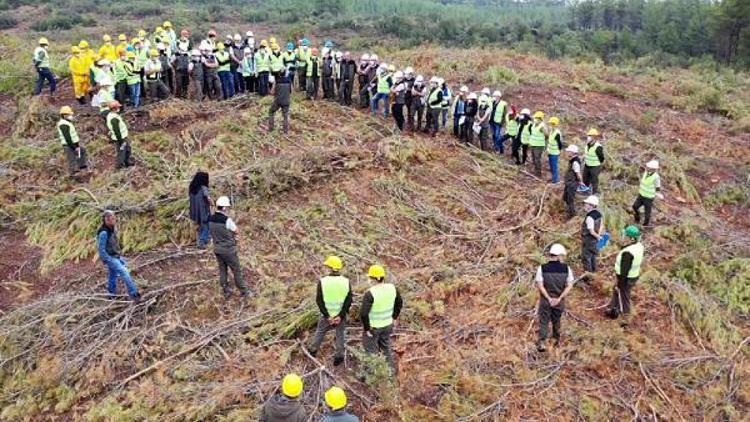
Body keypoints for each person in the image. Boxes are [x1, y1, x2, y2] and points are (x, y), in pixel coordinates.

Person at [308, 256, 352, 367]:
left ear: (330, 267)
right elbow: (349, 300)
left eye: (327, 266)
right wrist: (340, 316)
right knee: (340, 334)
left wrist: (328, 316)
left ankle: (313, 350)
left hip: (326, 316)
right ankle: (339, 357)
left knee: (320, 332)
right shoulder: (346, 282)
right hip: (340, 316)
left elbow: (319, 300)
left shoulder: (323, 282)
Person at [360, 264, 403, 374]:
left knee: (370, 351)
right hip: (388, 325)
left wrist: (367, 329)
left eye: (370, 277)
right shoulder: (392, 288)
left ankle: (372, 375)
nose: (369, 279)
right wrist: (394, 317)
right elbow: (399, 303)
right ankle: (390, 372)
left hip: (374, 327)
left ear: (374, 278)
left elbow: (364, 314)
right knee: (385, 348)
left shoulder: (370, 293)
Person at [208, 196, 252, 300]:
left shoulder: (210, 219)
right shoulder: (227, 220)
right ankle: (244, 291)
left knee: (223, 270)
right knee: (236, 270)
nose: (227, 209)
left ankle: (225, 290)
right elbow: (236, 230)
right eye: (226, 207)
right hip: (228, 250)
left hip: (217, 249)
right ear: (224, 208)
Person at [535, 244, 574, 352]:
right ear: (558, 256)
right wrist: (559, 298)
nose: (562, 258)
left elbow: (540, 285)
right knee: (556, 321)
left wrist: (548, 298)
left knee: (544, 321)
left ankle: (542, 342)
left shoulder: (542, 268)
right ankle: (555, 342)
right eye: (561, 256)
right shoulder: (567, 269)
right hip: (559, 301)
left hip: (545, 301)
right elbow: (569, 285)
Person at [97, 210, 141, 303]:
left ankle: (111, 294)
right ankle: (134, 294)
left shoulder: (112, 229)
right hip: (111, 257)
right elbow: (101, 249)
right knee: (124, 272)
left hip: (115, 256)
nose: (115, 220)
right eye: (112, 218)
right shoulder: (104, 233)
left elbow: (114, 243)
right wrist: (108, 259)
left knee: (113, 275)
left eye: (114, 218)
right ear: (107, 220)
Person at [605, 225, 645, 325]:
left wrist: (620, 284)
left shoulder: (628, 253)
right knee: (616, 291)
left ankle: (625, 319)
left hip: (626, 278)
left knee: (623, 297)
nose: (624, 237)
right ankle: (612, 310)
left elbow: (624, 271)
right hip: (632, 276)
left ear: (631, 238)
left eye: (626, 236)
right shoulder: (638, 246)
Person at [56, 106, 89, 178]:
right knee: (72, 160)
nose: (71, 116)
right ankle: (73, 175)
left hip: (73, 144)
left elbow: (73, 136)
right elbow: (68, 138)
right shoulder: (63, 124)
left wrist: (77, 146)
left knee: (82, 151)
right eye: (69, 115)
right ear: (64, 115)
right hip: (68, 145)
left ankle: (82, 167)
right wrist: (74, 148)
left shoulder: (67, 122)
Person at [632, 160, 663, 227]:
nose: (646, 167)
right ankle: (637, 219)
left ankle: (645, 225)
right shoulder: (646, 172)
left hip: (648, 198)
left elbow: (657, 186)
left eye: (648, 167)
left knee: (647, 212)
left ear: (653, 169)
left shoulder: (656, 177)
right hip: (641, 195)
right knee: (635, 206)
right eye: (647, 166)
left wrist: (658, 193)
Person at [188, 171, 214, 249]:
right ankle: (202, 242)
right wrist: (213, 203)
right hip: (203, 211)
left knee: (200, 226)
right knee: (206, 226)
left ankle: (201, 240)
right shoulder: (203, 188)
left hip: (195, 212)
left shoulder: (192, 189)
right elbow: (208, 197)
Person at [105, 101, 134, 169]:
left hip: (123, 137)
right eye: (118, 107)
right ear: (114, 108)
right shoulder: (113, 118)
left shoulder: (113, 115)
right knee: (121, 152)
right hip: (120, 138)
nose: (119, 108)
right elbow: (116, 131)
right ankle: (119, 166)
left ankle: (127, 162)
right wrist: (121, 141)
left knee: (127, 149)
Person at [581, 195, 604, 273]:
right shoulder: (599, 214)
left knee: (586, 258)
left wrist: (598, 237)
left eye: (587, 203)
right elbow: (601, 225)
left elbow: (591, 231)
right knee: (593, 257)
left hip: (588, 241)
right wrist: (599, 235)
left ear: (592, 205)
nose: (584, 204)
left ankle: (588, 277)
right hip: (594, 242)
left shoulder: (589, 217)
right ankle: (594, 273)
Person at [563, 145, 583, 219]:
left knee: (570, 200)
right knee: (566, 198)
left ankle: (573, 216)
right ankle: (569, 211)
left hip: (572, 184)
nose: (567, 152)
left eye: (568, 151)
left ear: (573, 152)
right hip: (569, 183)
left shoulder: (575, 162)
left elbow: (578, 174)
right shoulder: (572, 160)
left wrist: (580, 182)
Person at [268, 69, 291, 134]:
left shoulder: (276, 81)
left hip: (278, 101)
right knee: (285, 116)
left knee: (271, 111)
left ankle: (271, 129)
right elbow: (291, 91)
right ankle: (285, 131)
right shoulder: (289, 81)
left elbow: (272, 92)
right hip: (286, 101)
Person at [583, 128, 604, 194]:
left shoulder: (598, 147)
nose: (588, 137)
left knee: (594, 181)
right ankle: (585, 191)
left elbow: (602, 158)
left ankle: (594, 193)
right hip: (587, 165)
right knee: (585, 179)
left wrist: (597, 164)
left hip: (595, 166)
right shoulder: (587, 145)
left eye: (590, 136)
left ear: (594, 137)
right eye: (588, 135)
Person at [528, 111, 548, 177]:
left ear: (540, 119)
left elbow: (546, 135)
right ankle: (535, 170)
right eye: (535, 118)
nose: (535, 119)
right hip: (533, 144)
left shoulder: (542, 126)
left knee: (537, 159)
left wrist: (543, 141)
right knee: (533, 158)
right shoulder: (534, 124)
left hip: (539, 145)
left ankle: (538, 173)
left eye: (536, 118)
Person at [547, 117, 563, 183]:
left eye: (551, 124)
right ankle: (553, 178)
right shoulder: (551, 131)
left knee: (554, 166)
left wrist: (559, 151)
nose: (550, 125)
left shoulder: (557, 133)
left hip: (555, 152)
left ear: (554, 124)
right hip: (550, 151)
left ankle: (555, 180)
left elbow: (560, 144)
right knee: (551, 166)